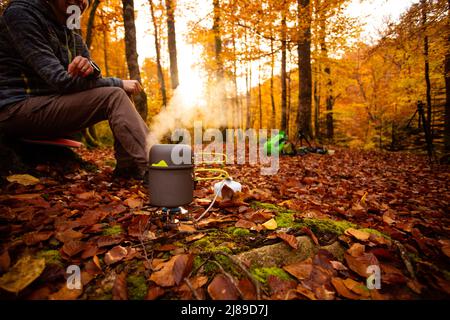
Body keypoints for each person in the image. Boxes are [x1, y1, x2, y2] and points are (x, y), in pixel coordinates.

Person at [0, 0, 150, 180]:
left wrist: (91, 69)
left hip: (50, 106)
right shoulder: (21, 14)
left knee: (120, 92)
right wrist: (117, 82)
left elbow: (93, 76)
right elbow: (61, 81)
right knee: (115, 94)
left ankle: (130, 169)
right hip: (16, 109)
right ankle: (158, 167)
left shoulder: (70, 29)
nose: (79, 1)